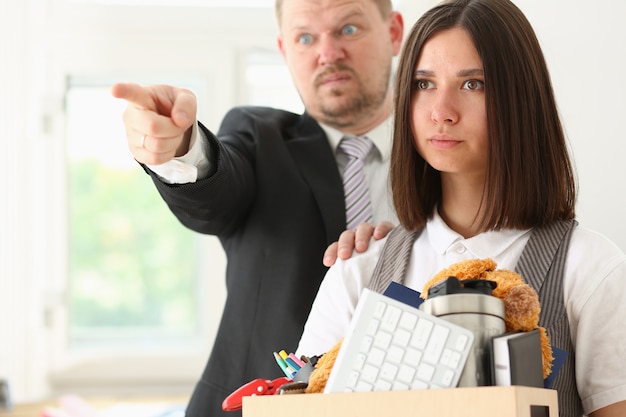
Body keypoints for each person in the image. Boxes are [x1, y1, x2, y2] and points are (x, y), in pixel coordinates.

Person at [295, 1, 626, 416]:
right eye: (423, 84)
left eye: (473, 84)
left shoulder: (591, 268)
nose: (441, 112)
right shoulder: (360, 269)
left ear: (521, 99)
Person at [111, 0, 403, 416]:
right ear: (285, 51)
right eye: (306, 37)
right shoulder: (259, 138)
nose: (328, 53)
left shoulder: (446, 155)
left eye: (348, 30)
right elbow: (217, 194)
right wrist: (178, 148)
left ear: (393, 32)